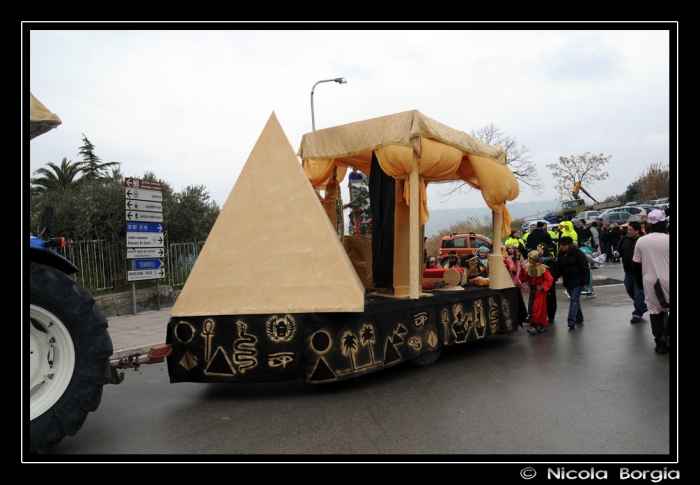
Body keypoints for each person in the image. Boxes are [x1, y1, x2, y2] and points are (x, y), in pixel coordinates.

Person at [633, 210, 670, 354]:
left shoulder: (641, 241)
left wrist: (640, 284)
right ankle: (667, 337)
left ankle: (660, 342)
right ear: (664, 223)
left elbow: (635, 265)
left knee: (655, 312)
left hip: (650, 282)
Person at [613, 221, 648, 324]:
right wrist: (617, 253)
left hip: (640, 273)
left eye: (630, 230)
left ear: (637, 231)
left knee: (638, 294)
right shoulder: (624, 239)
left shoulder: (642, 241)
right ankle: (642, 306)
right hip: (628, 272)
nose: (628, 232)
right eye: (628, 230)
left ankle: (637, 314)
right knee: (630, 291)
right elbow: (618, 249)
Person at [557, 236, 591, 330]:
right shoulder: (560, 254)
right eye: (561, 245)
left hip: (578, 280)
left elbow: (585, 267)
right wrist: (554, 277)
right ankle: (579, 318)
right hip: (568, 281)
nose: (562, 247)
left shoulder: (578, 253)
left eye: (564, 245)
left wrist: (586, 281)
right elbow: (559, 267)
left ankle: (571, 321)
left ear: (570, 245)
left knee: (574, 299)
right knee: (574, 299)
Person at [519, 250, 554, 334]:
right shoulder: (528, 267)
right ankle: (544, 324)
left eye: (530, 258)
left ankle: (535, 326)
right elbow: (523, 279)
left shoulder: (543, 268)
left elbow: (549, 279)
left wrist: (543, 286)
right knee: (538, 308)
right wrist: (522, 269)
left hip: (540, 291)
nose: (529, 259)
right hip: (533, 291)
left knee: (536, 308)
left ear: (534, 259)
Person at [537, 243, 558, 323]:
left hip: (549, 282)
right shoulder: (536, 260)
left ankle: (551, 315)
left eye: (540, 249)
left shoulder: (550, 260)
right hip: (539, 282)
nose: (538, 251)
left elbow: (554, 271)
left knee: (550, 299)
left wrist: (552, 279)